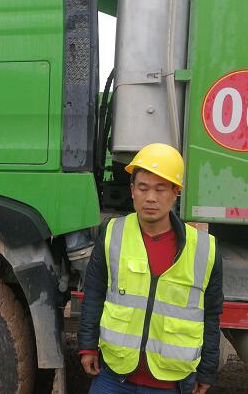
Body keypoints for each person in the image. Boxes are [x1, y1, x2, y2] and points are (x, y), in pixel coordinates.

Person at [78, 143, 224, 394]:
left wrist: (207, 370)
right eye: (143, 188)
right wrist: (88, 345)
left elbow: (211, 315)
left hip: (171, 383)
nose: (151, 198)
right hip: (113, 377)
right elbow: (94, 293)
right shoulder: (112, 233)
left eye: (160, 189)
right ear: (132, 190)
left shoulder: (204, 249)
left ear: (175, 192)